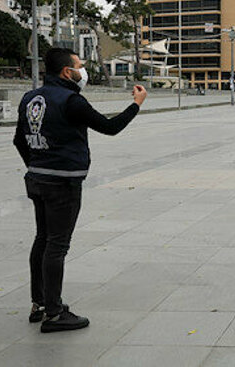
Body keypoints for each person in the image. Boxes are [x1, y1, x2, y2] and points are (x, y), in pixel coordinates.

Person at [13, 48, 147, 332]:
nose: (82, 70)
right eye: (79, 65)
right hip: (63, 182)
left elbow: (18, 140)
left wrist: (37, 164)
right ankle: (54, 313)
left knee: (43, 239)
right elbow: (110, 127)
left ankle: (39, 303)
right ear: (66, 72)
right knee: (57, 245)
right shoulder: (71, 100)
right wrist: (136, 104)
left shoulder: (29, 98)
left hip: (37, 180)